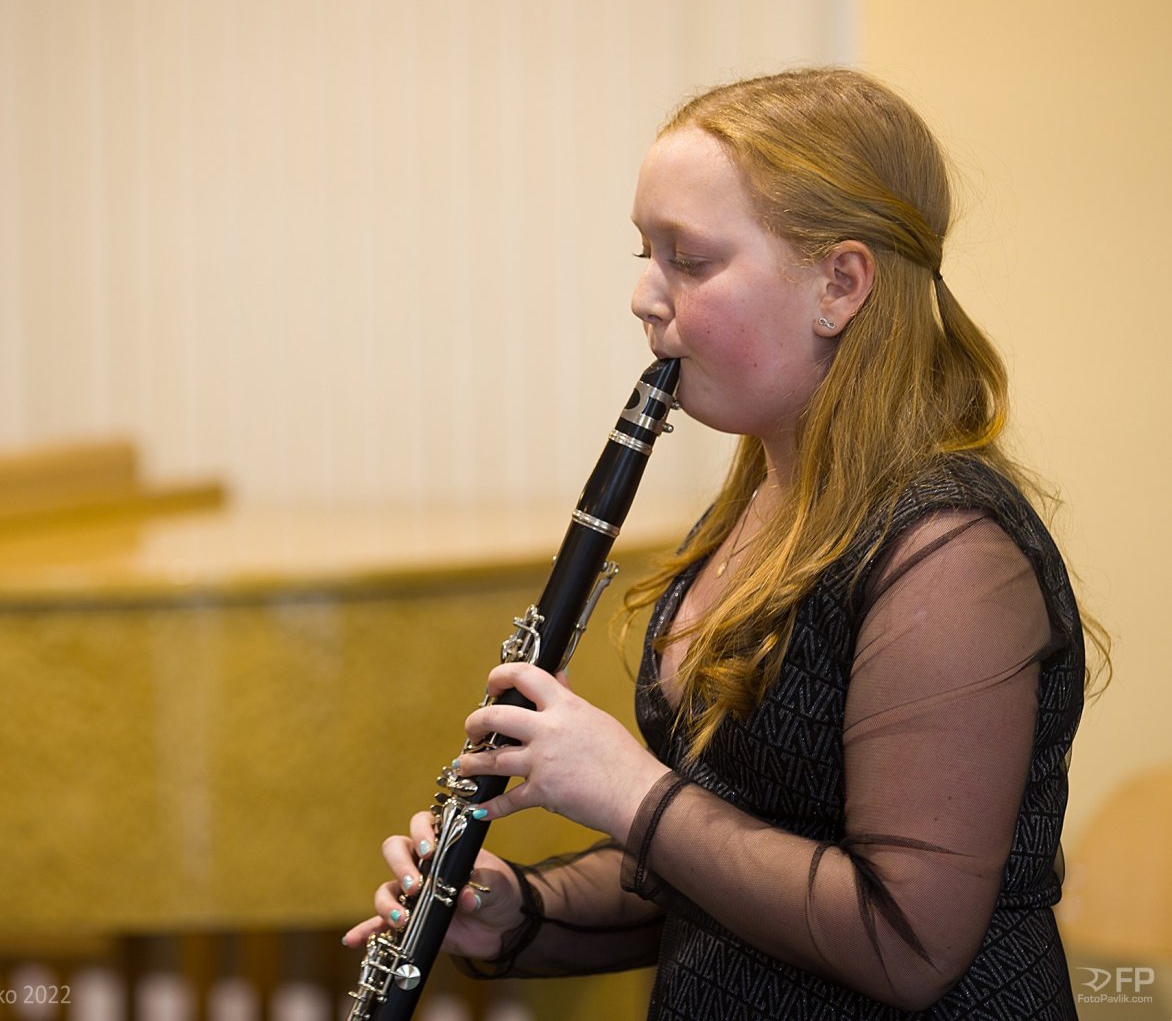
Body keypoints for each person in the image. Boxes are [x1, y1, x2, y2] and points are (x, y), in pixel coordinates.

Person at [342, 67, 1105, 1019]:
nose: (644, 296)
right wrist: (522, 913)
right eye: (646, 253)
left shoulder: (948, 554)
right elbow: (723, 860)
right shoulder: (758, 505)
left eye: (690, 260)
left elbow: (905, 940)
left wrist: (628, 790)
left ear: (839, 284)